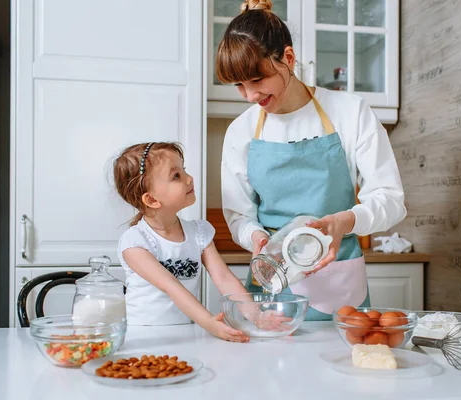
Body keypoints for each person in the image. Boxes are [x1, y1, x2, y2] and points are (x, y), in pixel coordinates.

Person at [216, 0, 407, 321]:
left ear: (288, 59)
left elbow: (391, 200)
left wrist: (345, 221)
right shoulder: (241, 131)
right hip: (273, 280)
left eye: (257, 80)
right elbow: (238, 216)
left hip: (338, 281)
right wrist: (257, 238)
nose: (250, 96)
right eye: (239, 85)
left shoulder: (349, 111)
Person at [113, 142, 289, 342]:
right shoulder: (135, 242)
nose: (189, 178)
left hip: (186, 333)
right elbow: (171, 286)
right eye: (176, 176)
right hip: (143, 335)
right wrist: (209, 322)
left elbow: (223, 278)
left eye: (184, 169)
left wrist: (256, 315)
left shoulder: (198, 232)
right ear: (152, 200)